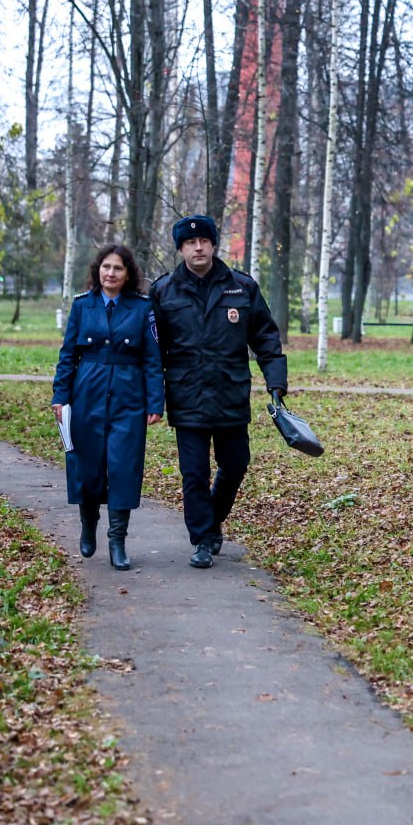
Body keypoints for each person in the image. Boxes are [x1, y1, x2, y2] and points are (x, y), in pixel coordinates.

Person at [150, 215, 287, 569]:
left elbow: (266, 338)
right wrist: (150, 396)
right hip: (187, 395)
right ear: (180, 249)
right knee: (193, 473)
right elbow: (152, 353)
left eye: (204, 241)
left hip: (230, 393)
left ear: (213, 245)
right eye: (190, 243)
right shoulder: (164, 292)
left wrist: (276, 381)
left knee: (236, 464)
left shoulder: (241, 288)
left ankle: (211, 519)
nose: (198, 247)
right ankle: (202, 539)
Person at [52, 245, 165, 571]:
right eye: (106, 267)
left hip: (129, 396)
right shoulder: (82, 306)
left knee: (122, 467)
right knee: (87, 467)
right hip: (86, 392)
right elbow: (68, 356)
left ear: (128, 273)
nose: (110, 273)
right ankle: (89, 525)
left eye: (117, 268)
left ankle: (118, 541)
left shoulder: (143, 309)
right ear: (97, 270)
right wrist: (60, 397)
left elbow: (152, 359)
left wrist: (155, 401)